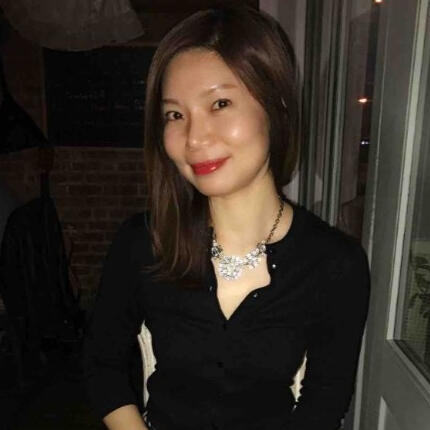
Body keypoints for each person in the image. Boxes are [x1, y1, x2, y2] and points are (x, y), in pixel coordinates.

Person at [83, 5, 371, 430]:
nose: (195, 138)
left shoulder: (335, 264)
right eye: (175, 115)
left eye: (220, 103)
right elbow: (101, 364)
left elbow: (324, 403)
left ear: (277, 107)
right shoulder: (142, 243)